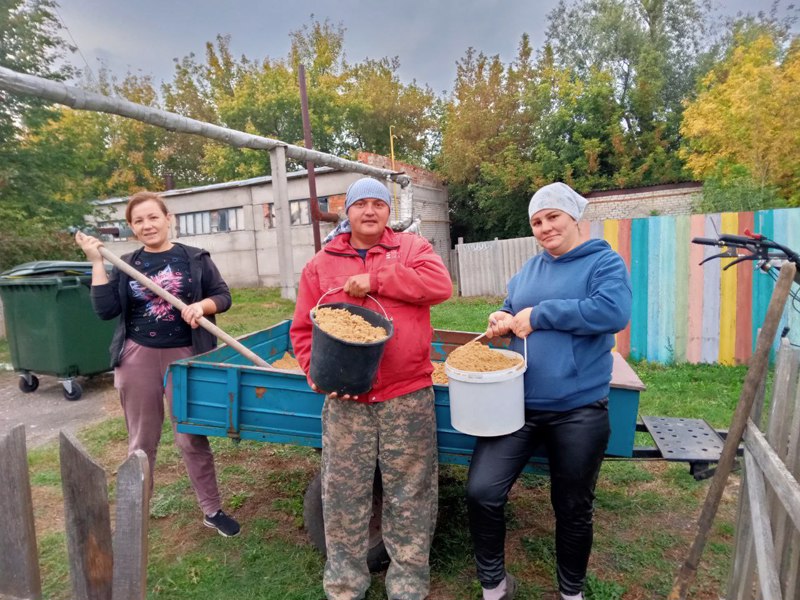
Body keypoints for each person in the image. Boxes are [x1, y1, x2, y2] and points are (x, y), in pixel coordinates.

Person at [466, 182, 632, 600]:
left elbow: (612, 312)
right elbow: (512, 303)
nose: (544, 227)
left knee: (573, 506)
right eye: (537, 221)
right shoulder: (529, 269)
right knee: (482, 491)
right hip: (517, 405)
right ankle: (494, 586)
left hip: (579, 408)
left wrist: (541, 315)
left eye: (552, 217)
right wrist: (502, 315)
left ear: (574, 217)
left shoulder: (603, 263)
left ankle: (571, 592)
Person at [290, 177, 452, 600]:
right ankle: (345, 586)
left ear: (387, 211)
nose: (369, 211)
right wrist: (318, 374)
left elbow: (440, 286)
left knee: (411, 493)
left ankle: (408, 586)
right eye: (359, 204)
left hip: (407, 395)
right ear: (347, 212)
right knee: (343, 495)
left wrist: (376, 278)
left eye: (377, 204)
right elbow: (303, 329)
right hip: (347, 402)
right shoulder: (321, 264)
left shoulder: (412, 250)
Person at [75, 191, 241, 537]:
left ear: (169, 219)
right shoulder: (126, 263)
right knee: (141, 440)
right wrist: (95, 262)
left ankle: (212, 509)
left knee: (191, 437)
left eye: (153, 217)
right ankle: (135, 514)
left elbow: (223, 295)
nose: (147, 225)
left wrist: (203, 306)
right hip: (139, 357)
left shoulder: (195, 258)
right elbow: (105, 310)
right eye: (138, 221)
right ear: (132, 228)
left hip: (186, 356)